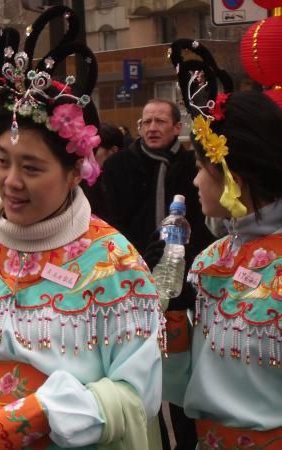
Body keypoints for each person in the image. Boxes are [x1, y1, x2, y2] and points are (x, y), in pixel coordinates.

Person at [0, 6, 164, 450]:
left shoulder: (114, 263)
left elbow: (136, 393)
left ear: (76, 171)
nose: (11, 182)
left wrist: (44, 413)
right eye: (3, 161)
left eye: (32, 168)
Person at [163, 39, 282, 450]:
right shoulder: (212, 259)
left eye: (201, 166)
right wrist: (173, 314)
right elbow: (184, 387)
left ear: (233, 174)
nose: (194, 180)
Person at [102, 96, 213, 450]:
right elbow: (109, 225)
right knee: (141, 372)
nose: (151, 128)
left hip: (182, 287)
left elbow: (203, 225)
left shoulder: (190, 168)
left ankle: (187, 438)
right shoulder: (120, 166)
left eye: (160, 122)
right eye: (146, 122)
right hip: (133, 281)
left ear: (177, 128)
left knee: (180, 369)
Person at [82, 123, 124, 220]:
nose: (88, 153)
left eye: (94, 149)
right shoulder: (84, 179)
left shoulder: (123, 181)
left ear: (113, 151)